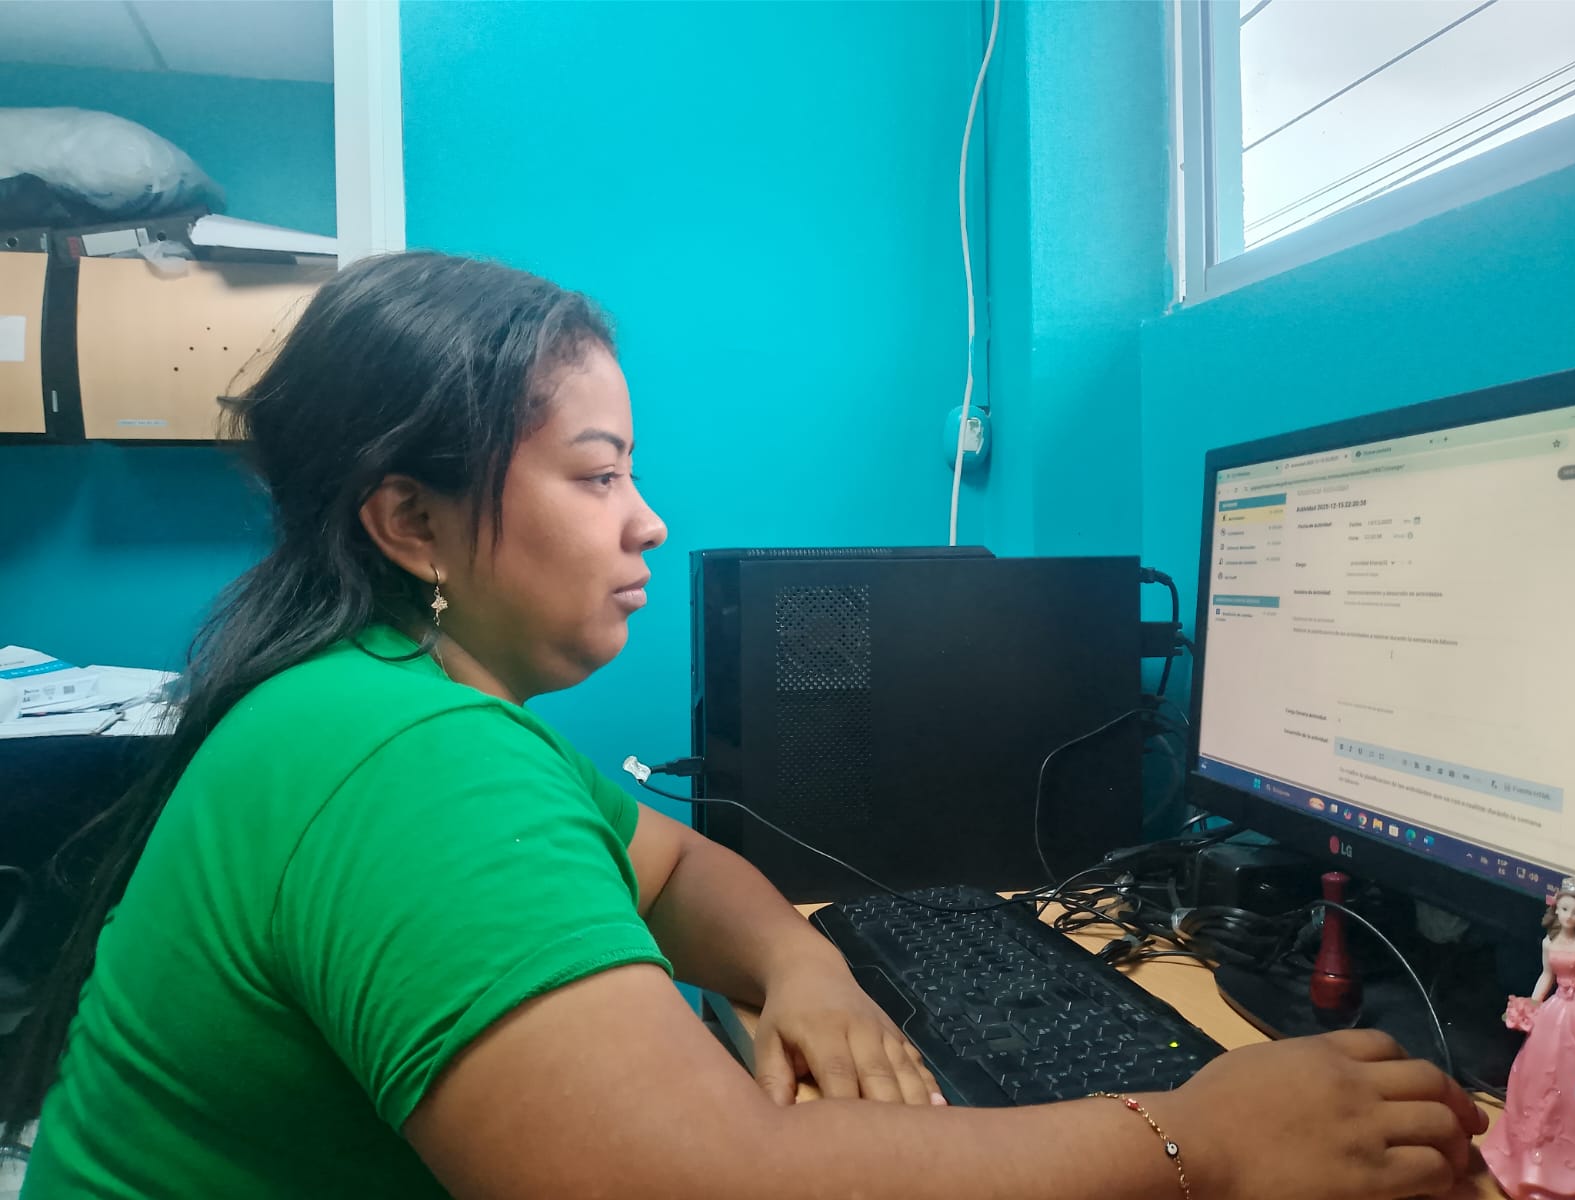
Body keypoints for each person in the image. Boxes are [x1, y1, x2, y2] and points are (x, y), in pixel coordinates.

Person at [1, 252, 1486, 1200]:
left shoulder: (384, 697)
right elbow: (695, 1184)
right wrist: (1196, 1143)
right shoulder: (410, 763)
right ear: (412, 521)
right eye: (596, 475)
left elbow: (673, 866)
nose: (646, 520)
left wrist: (802, 963)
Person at [1481, 876, 1575, 1198]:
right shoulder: (1550, 943)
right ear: (1556, 908)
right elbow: (1546, 975)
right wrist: (1532, 1004)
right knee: (1539, 1074)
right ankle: (1533, 1162)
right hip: (1556, 1011)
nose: (1570, 916)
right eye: (1565, 909)